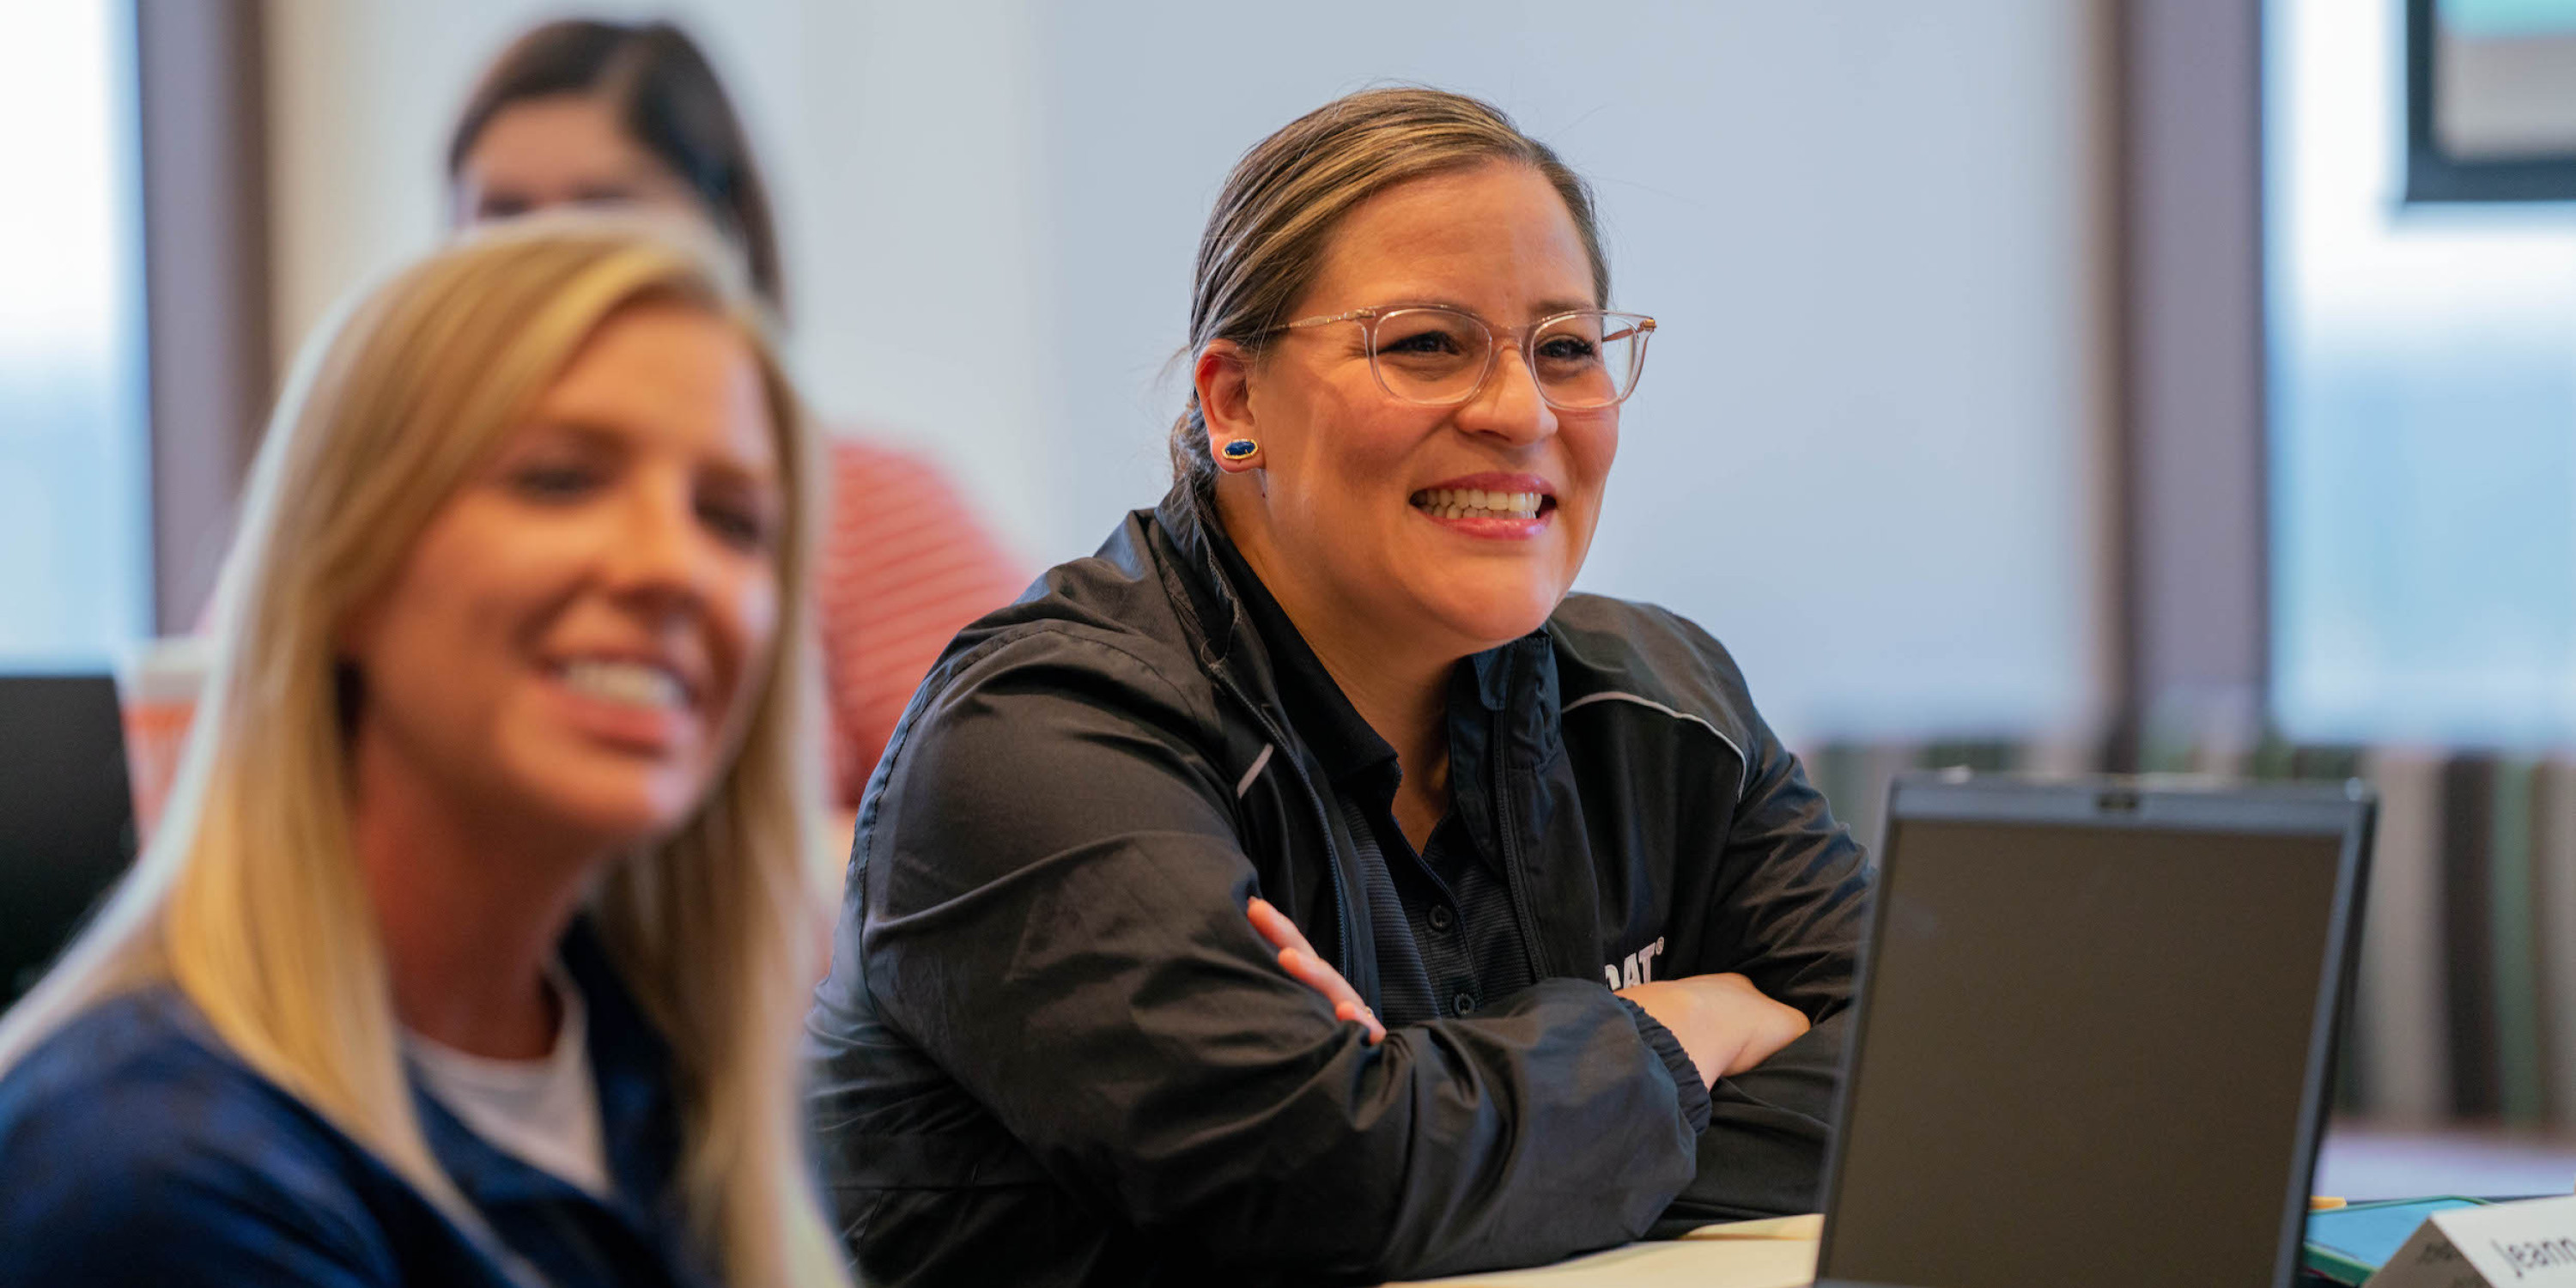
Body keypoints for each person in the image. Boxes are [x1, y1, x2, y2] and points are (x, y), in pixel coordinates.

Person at [804, 87, 1872, 1286]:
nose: (1519, 411)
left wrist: (1425, 1115)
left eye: (1565, 348)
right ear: (1234, 402)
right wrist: (1681, 1031)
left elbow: (1935, 1089)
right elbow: (1327, 1188)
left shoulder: (1667, 708)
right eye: (1425, 343)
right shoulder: (1043, 741)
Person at [0, 219, 851, 1288]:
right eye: (560, 480)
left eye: (731, 520)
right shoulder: (150, 1174)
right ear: (346, 566)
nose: (671, 566)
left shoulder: (651, 1073)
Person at [447, 18, 1027, 808]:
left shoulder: (871, 511)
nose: (554, 265)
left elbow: (1021, 827)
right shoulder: (398, 487)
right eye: (505, 219)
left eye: (605, 213)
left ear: (730, 237)